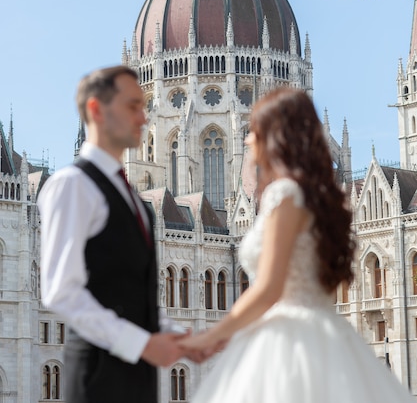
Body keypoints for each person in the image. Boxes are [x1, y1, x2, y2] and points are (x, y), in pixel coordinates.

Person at [181, 87, 414, 403]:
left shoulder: (286, 195)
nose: (247, 140)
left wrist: (211, 336)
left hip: (290, 338)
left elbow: (269, 288)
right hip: (317, 333)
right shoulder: (315, 196)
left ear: (274, 138)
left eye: (254, 131)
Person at [38, 65, 198, 403]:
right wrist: (142, 344)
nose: (145, 117)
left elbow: (128, 296)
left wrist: (176, 337)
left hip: (138, 383)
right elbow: (60, 293)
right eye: (133, 106)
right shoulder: (71, 186)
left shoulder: (136, 201)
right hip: (96, 384)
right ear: (96, 110)